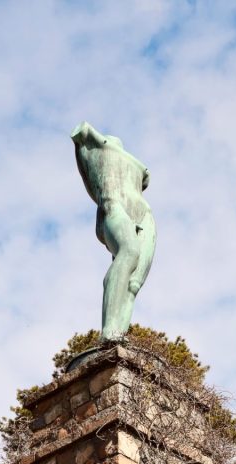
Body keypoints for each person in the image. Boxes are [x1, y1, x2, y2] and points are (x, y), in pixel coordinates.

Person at [71, 121, 156, 340]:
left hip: (145, 215)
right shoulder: (94, 150)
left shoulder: (132, 164)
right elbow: (81, 132)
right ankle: (108, 331)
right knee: (129, 252)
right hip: (114, 207)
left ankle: (119, 333)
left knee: (134, 284)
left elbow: (145, 178)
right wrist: (95, 139)